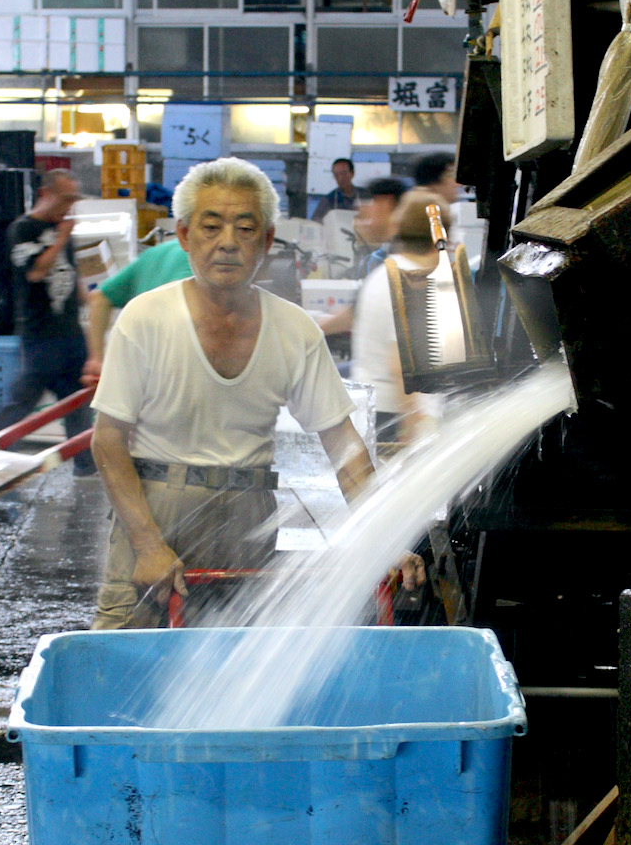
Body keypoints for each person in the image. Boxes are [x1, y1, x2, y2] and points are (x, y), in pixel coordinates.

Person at [89, 156, 423, 628]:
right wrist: (146, 544)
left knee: (230, 671)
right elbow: (107, 441)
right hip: (157, 507)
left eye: (245, 228)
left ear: (267, 241)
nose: (227, 243)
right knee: (125, 662)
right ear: (184, 236)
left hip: (248, 517)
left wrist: (384, 539)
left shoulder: (294, 330)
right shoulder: (145, 320)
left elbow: (342, 443)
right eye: (211, 227)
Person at [0, 169, 95, 475]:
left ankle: (87, 465)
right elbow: (35, 272)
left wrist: (91, 300)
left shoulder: (63, 230)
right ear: (46, 193)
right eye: (65, 198)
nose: (69, 206)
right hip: (40, 333)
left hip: (71, 332)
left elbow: (70, 272)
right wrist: (60, 239)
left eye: (74, 200)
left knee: (77, 402)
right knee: (23, 401)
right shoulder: (23, 229)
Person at [351, 187, 452, 449]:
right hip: (393, 418)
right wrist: (411, 434)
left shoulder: (386, 272)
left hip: (373, 412)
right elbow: (401, 370)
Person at [83, 235, 191, 384]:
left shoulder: (155, 253)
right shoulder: (199, 267)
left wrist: (97, 359)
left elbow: (99, 298)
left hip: (138, 370)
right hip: (164, 376)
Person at [318, 175, 409, 341]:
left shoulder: (399, 260)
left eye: (365, 213)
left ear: (385, 204)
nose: (363, 221)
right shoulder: (394, 252)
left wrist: (308, 333)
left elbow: (355, 314)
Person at [311, 157, 359, 222]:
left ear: (352, 173)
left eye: (343, 173)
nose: (340, 178)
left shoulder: (365, 196)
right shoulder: (328, 200)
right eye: (336, 175)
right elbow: (316, 222)